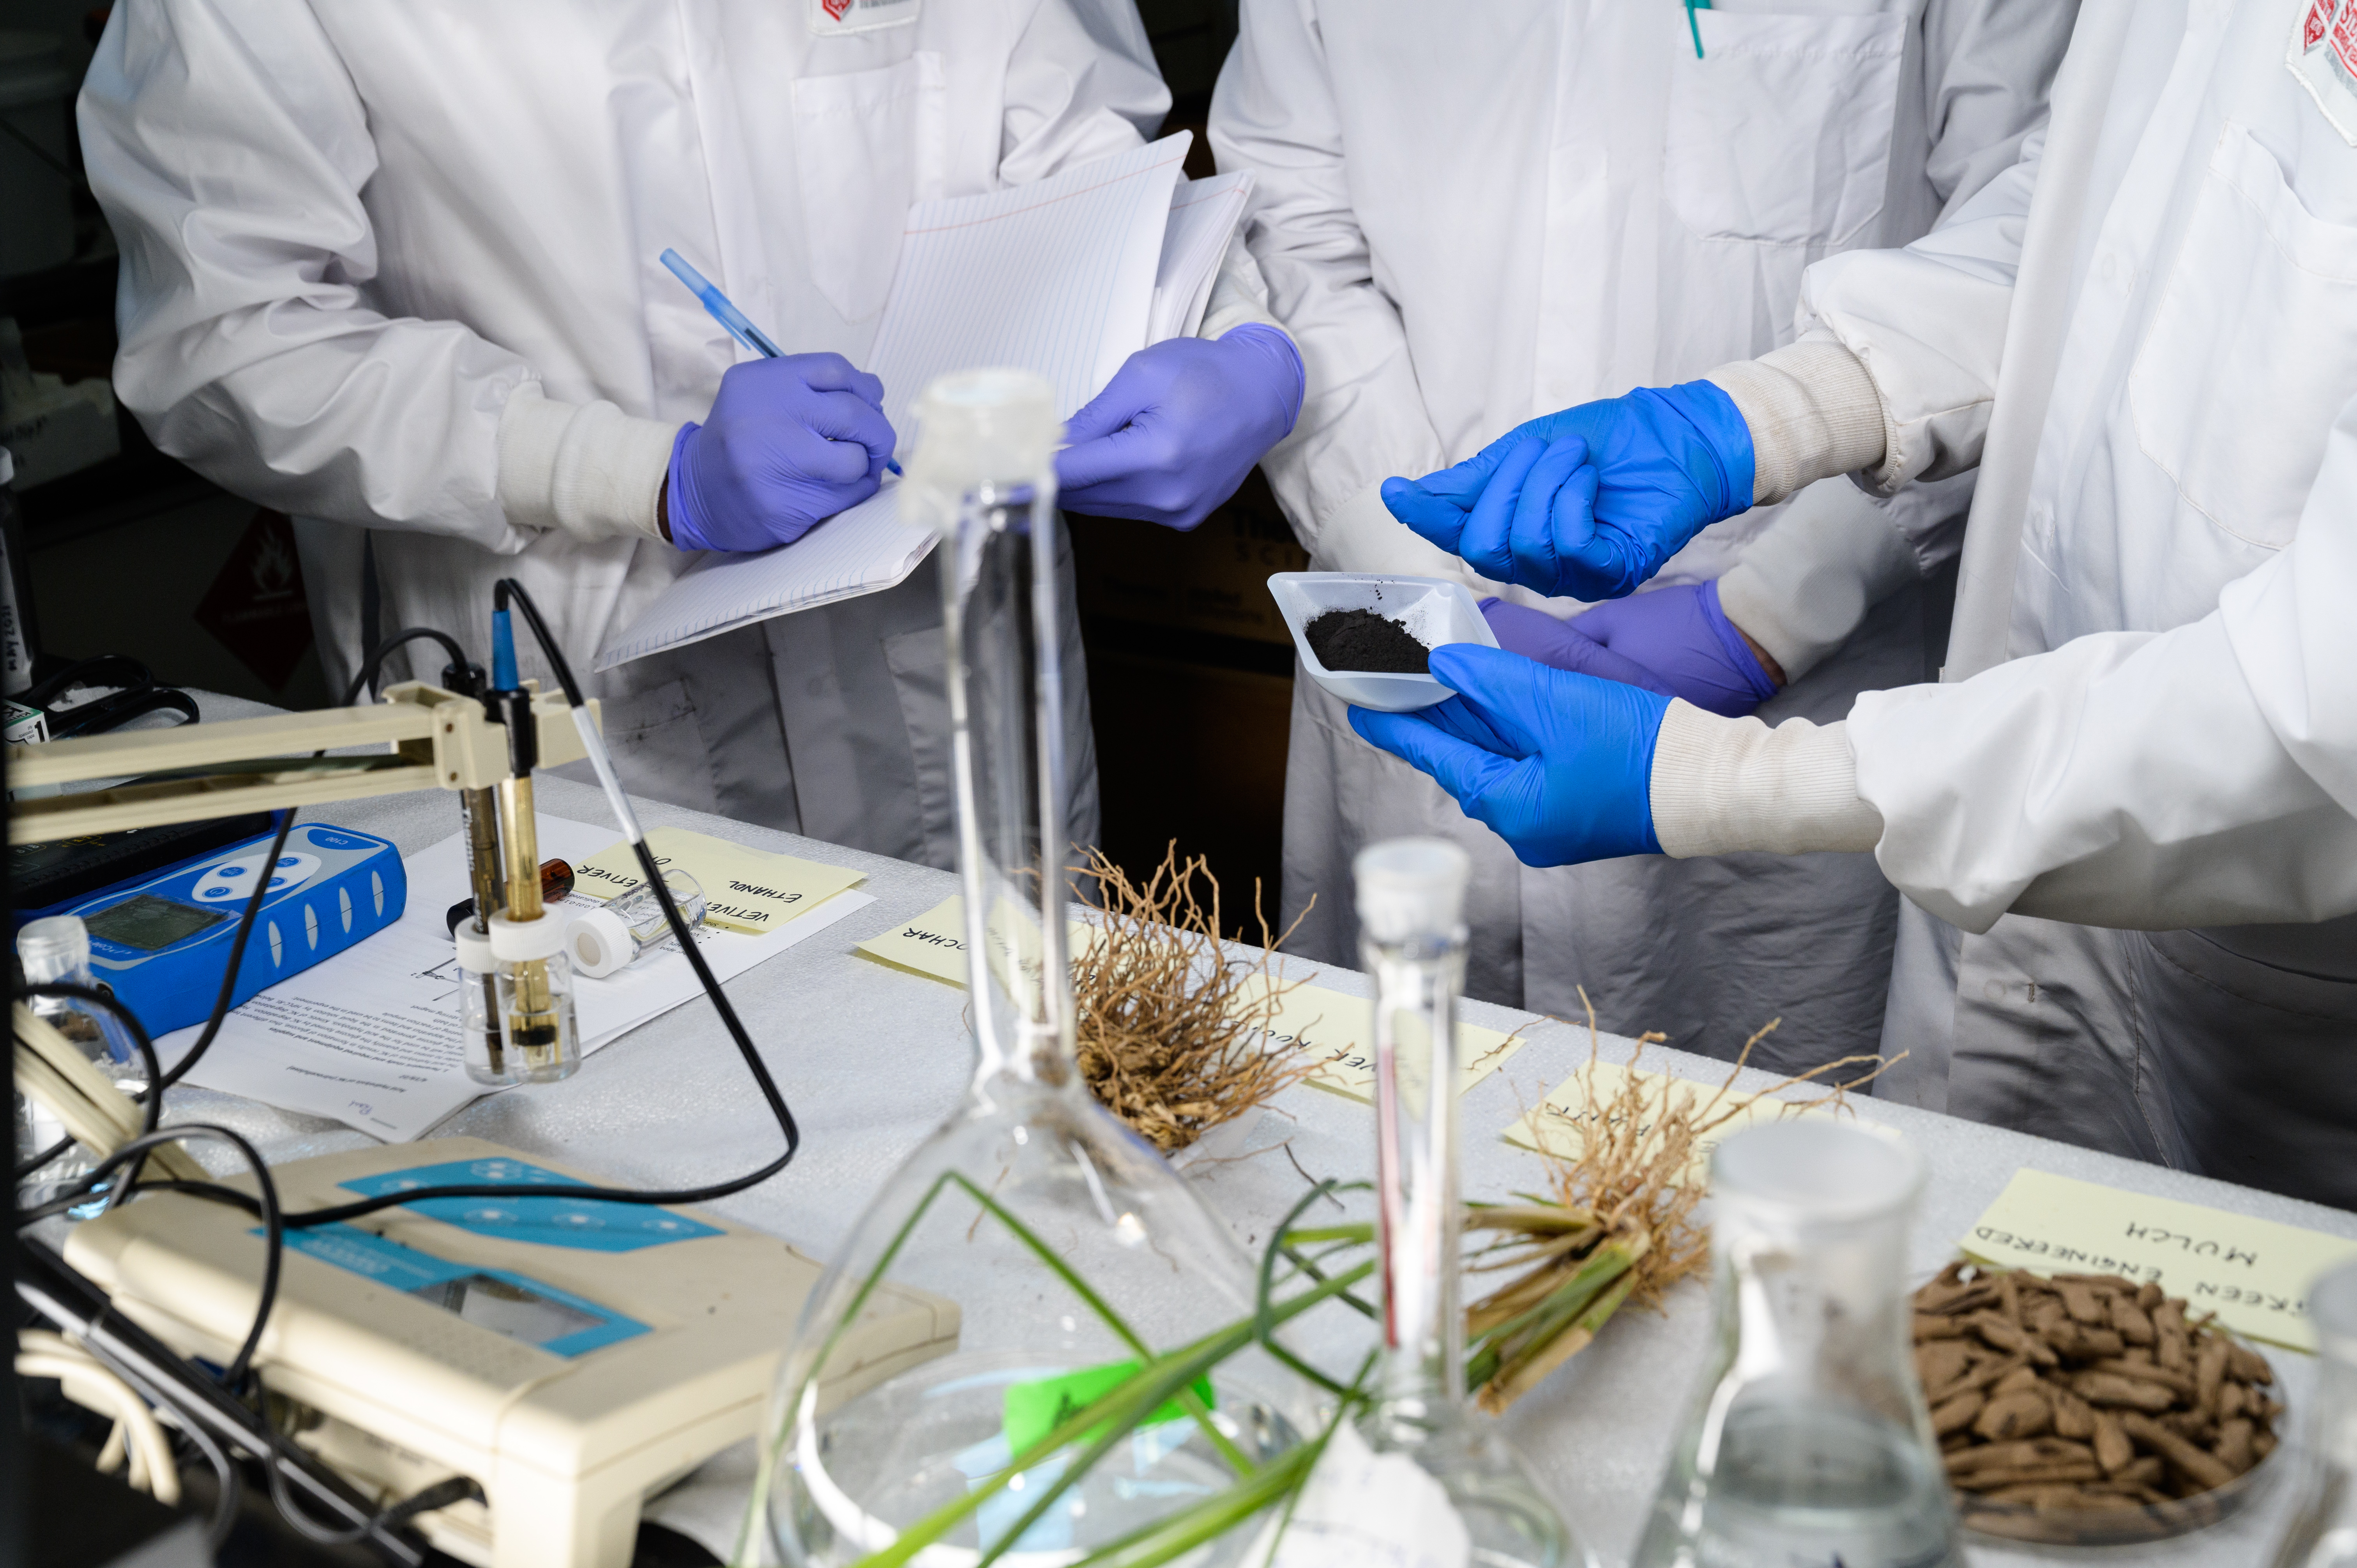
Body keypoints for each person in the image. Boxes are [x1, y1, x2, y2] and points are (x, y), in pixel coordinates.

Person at [1356, 0, 2357, 1207]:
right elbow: (2102, 214)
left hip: (2264, 998)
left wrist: (1743, 779)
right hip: (2025, 891)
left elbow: (2318, 703)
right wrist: (1774, 414)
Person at [80, 0, 1303, 869]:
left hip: (954, 669)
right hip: (576, 692)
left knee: (1015, 1101)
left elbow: (1084, 154)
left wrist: (1231, 341)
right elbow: (227, 337)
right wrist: (635, 474)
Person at [1209, 0, 2078, 1074]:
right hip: (1406, 637)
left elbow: (2035, 245)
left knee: (1761, 1135)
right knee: (1396, 1122)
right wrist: (1409, 572)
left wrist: (1779, 607)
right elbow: (1290, 221)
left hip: (1796, 690)